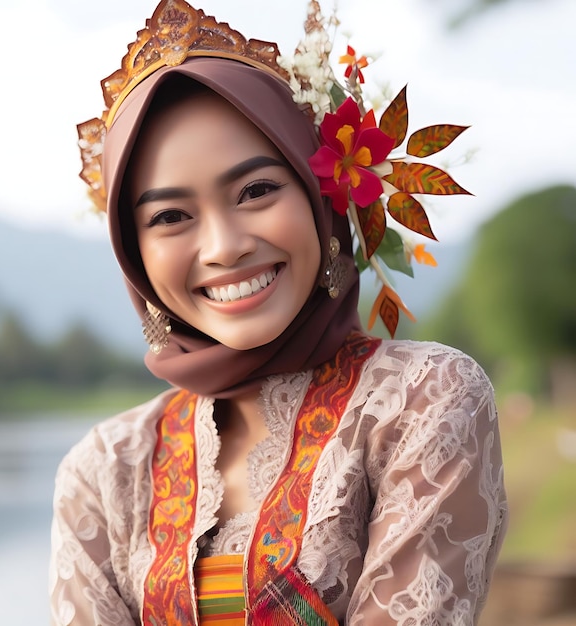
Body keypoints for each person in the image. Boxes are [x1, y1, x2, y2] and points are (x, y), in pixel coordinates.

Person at [50, 1, 508, 624]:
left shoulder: (421, 401)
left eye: (257, 191)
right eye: (169, 217)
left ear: (321, 196)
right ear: (134, 255)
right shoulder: (105, 470)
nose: (224, 246)